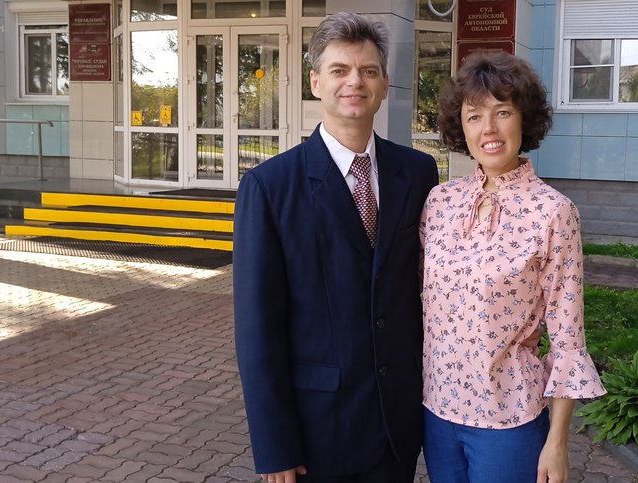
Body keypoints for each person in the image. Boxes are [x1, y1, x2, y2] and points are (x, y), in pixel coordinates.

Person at [233, 11, 439, 483]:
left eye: (368, 70)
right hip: (316, 430)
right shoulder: (269, 188)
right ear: (315, 82)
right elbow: (256, 329)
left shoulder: (418, 173)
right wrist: (274, 446)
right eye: (339, 70)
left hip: (397, 422)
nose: (355, 82)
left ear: (385, 83)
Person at [419, 51, 607, 483]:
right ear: (459, 126)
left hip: (508, 420)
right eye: (473, 116)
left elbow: (568, 339)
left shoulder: (554, 213)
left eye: (502, 112)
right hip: (436, 412)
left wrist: (557, 443)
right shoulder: (440, 202)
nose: (488, 129)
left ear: (524, 119)